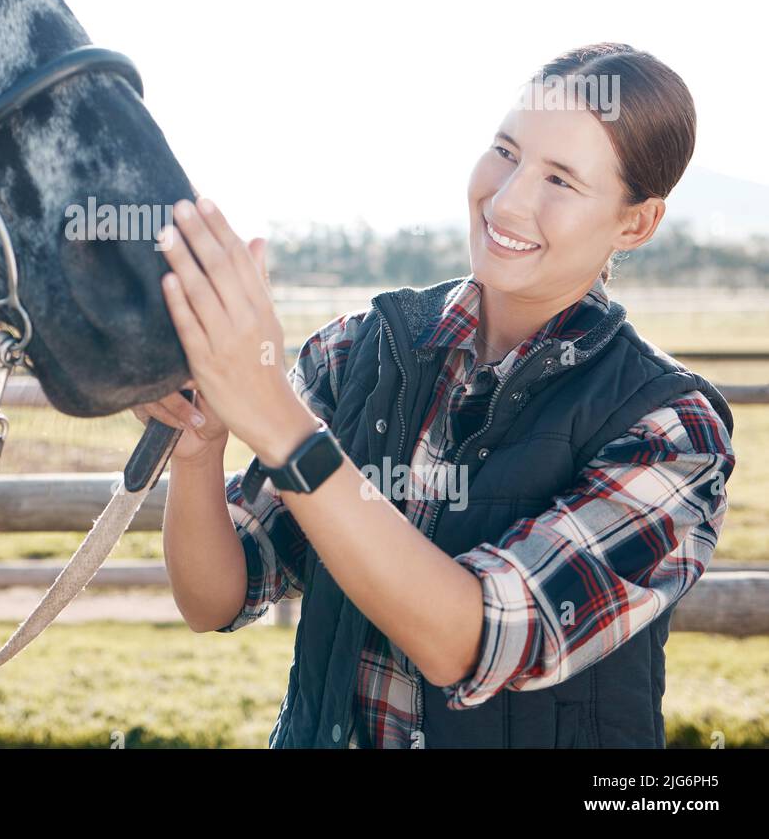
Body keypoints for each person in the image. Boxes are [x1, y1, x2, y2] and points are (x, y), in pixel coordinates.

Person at [136, 42, 736, 749]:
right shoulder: (356, 348)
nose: (508, 198)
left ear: (635, 223)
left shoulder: (672, 428)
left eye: (561, 181)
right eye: (506, 151)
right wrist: (199, 450)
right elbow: (217, 598)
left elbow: (468, 640)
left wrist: (276, 421)